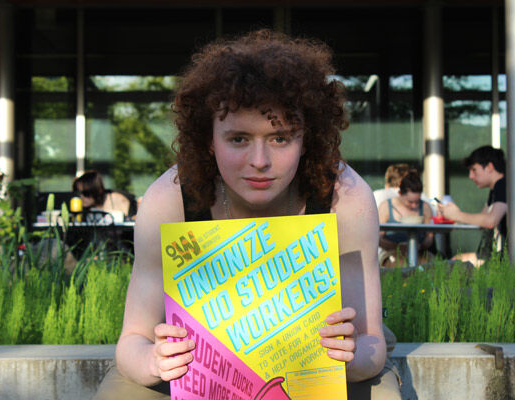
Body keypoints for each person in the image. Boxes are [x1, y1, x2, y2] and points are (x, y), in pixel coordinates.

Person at [95, 30, 400, 399]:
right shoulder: (170, 200)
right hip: (197, 372)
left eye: (280, 138)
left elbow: (371, 342)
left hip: (316, 367)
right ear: (209, 139)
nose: (260, 162)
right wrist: (153, 362)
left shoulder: (345, 197)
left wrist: (349, 359)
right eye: (238, 139)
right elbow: (132, 341)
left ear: (307, 138)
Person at [439, 145, 515, 266]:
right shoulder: (498, 187)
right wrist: (455, 213)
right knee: (460, 261)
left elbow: (490, 221)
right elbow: (483, 220)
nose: (471, 176)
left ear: (489, 167)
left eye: (474, 170)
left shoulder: (504, 184)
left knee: (458, 264)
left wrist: (457, 215)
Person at [377, 171, 434, 267]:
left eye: (417, 201)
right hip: (390, 252)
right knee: (399, 265)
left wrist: (420, 246)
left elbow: (429, 237)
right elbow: (378, 238)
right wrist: (398, 248)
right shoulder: (386, 207)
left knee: (431, 266)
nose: (414, 205)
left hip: (419, 251)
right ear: (400, 193)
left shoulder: (425, 207)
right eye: (410, 202)